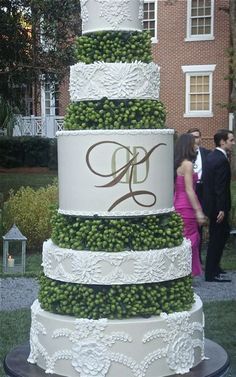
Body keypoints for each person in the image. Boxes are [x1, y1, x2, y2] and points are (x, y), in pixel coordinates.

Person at [203, 129, 235, 282]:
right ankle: (211, 273)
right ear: (222, 142)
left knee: (222, 234)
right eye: (231, 140)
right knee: (217, 238)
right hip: (218, 207)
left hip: (212, 205)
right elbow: (220, 187)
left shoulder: (211, 157)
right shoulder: (221, 160)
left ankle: (215, 268)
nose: (233, 143)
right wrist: (222, 208)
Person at [174, 133, 205, 276]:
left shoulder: (178, 163)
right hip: (187, 206)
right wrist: (198, 210)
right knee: (190, 241)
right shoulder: (187, 164)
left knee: (183, 239)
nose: (196, 145)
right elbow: (189, 189)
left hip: (177, 203)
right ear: (188, 145)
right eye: (194, 143)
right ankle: (187, 273)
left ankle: (182, 272)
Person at [187, 128, 211, 263]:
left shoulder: (207, 154)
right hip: (189, 190)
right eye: (192, 137)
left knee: (199, 226)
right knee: (189, 225)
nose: (195, 140)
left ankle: (198, 259)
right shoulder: (183, 156)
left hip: (203, 190)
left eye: (197, 137)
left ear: (201, 138)